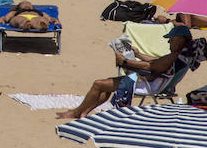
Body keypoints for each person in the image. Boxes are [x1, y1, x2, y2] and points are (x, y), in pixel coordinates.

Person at [57, 25, 195, 119]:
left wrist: (125, 62)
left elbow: (151, 67)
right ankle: (83, 112)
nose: (169, 42)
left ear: (181, 40)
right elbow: (157, 62)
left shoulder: (173, 56)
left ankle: (76, 112)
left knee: (99, 84)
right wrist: (138, 54)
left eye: (171, 39)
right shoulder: (181, 55)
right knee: (106, 85)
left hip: (147, 84)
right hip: (157, 82)